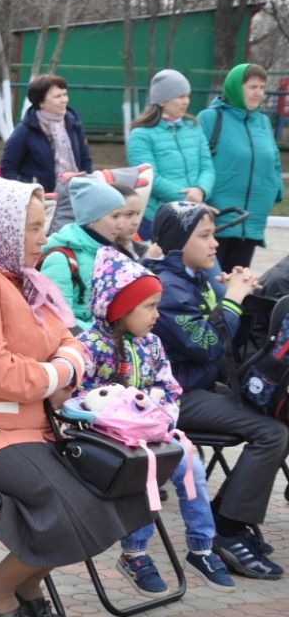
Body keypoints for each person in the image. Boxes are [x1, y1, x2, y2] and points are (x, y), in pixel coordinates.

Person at [0, 176, 151, 617]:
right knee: (75, 501)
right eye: (33, 227)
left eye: (43, 225)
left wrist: (61, 364)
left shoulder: (23, 278)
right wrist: (59, 370)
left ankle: (28, 588)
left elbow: (73, 341)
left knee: (116, 483)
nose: (44, 237)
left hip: (23, 427)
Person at [78, 246, 235, 595]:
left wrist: (157, 411)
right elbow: (77, 397)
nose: (156, 314)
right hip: (108, 440)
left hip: (152, 431)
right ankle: (134, 554)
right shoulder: (90, 346)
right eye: (148, 306)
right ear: (120, 309)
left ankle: (202, 547)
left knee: (190, 462)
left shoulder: (152, 345)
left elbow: (168, 386)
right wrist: (111, 411)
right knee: (147, 469)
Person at [145, 201, 288, 580]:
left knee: (276, 412)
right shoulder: (169, 287)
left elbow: (223, 338)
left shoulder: (194, 276)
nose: (215, 245)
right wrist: (232, 299)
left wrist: (235, 294)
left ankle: (232, 517)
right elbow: (208, 344)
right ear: (178, 244)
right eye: (205, 236)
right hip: (172, 399)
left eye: (213, 235)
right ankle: (227, 528)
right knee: (272, 431)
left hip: (201, 385)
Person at [197, 64, 283, 269]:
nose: (258, 93)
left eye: (262, 87)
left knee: (237, 282)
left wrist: (276, 189)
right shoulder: (210, 118)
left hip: (253, 217)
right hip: (219, 216)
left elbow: (274, 159)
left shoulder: (262, 121)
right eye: (253, 87)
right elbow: (199, 160)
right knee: (211, 283)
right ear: (236, 87)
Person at [126, 70, 214, 240]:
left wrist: (201, 190)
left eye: (187, 96)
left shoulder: (193, 127)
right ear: (162, 100)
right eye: (180, 96)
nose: (186, 101)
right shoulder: (141, 135)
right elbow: (150, 178)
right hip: (158, 219)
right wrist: (188, 197)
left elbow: (207, 166)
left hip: (194, 216)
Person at [38, 177, 127, 330]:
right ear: (92, 218)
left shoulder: (110, 253)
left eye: (124, 216)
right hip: (78, 344)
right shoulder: (60, 259)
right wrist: (102, 339)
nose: (122, 224)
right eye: (115, 216)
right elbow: (58, 316)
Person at [0, 74, 93, 194]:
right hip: (41, 198)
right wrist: (23, 195)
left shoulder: (74, 124)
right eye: (57, 96)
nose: (64, 100)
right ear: (41, 102)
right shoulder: (25, 130)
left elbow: (85, 159)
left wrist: (88, 184)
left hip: (76, 193)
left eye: (65, 94)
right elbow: (8, 167)